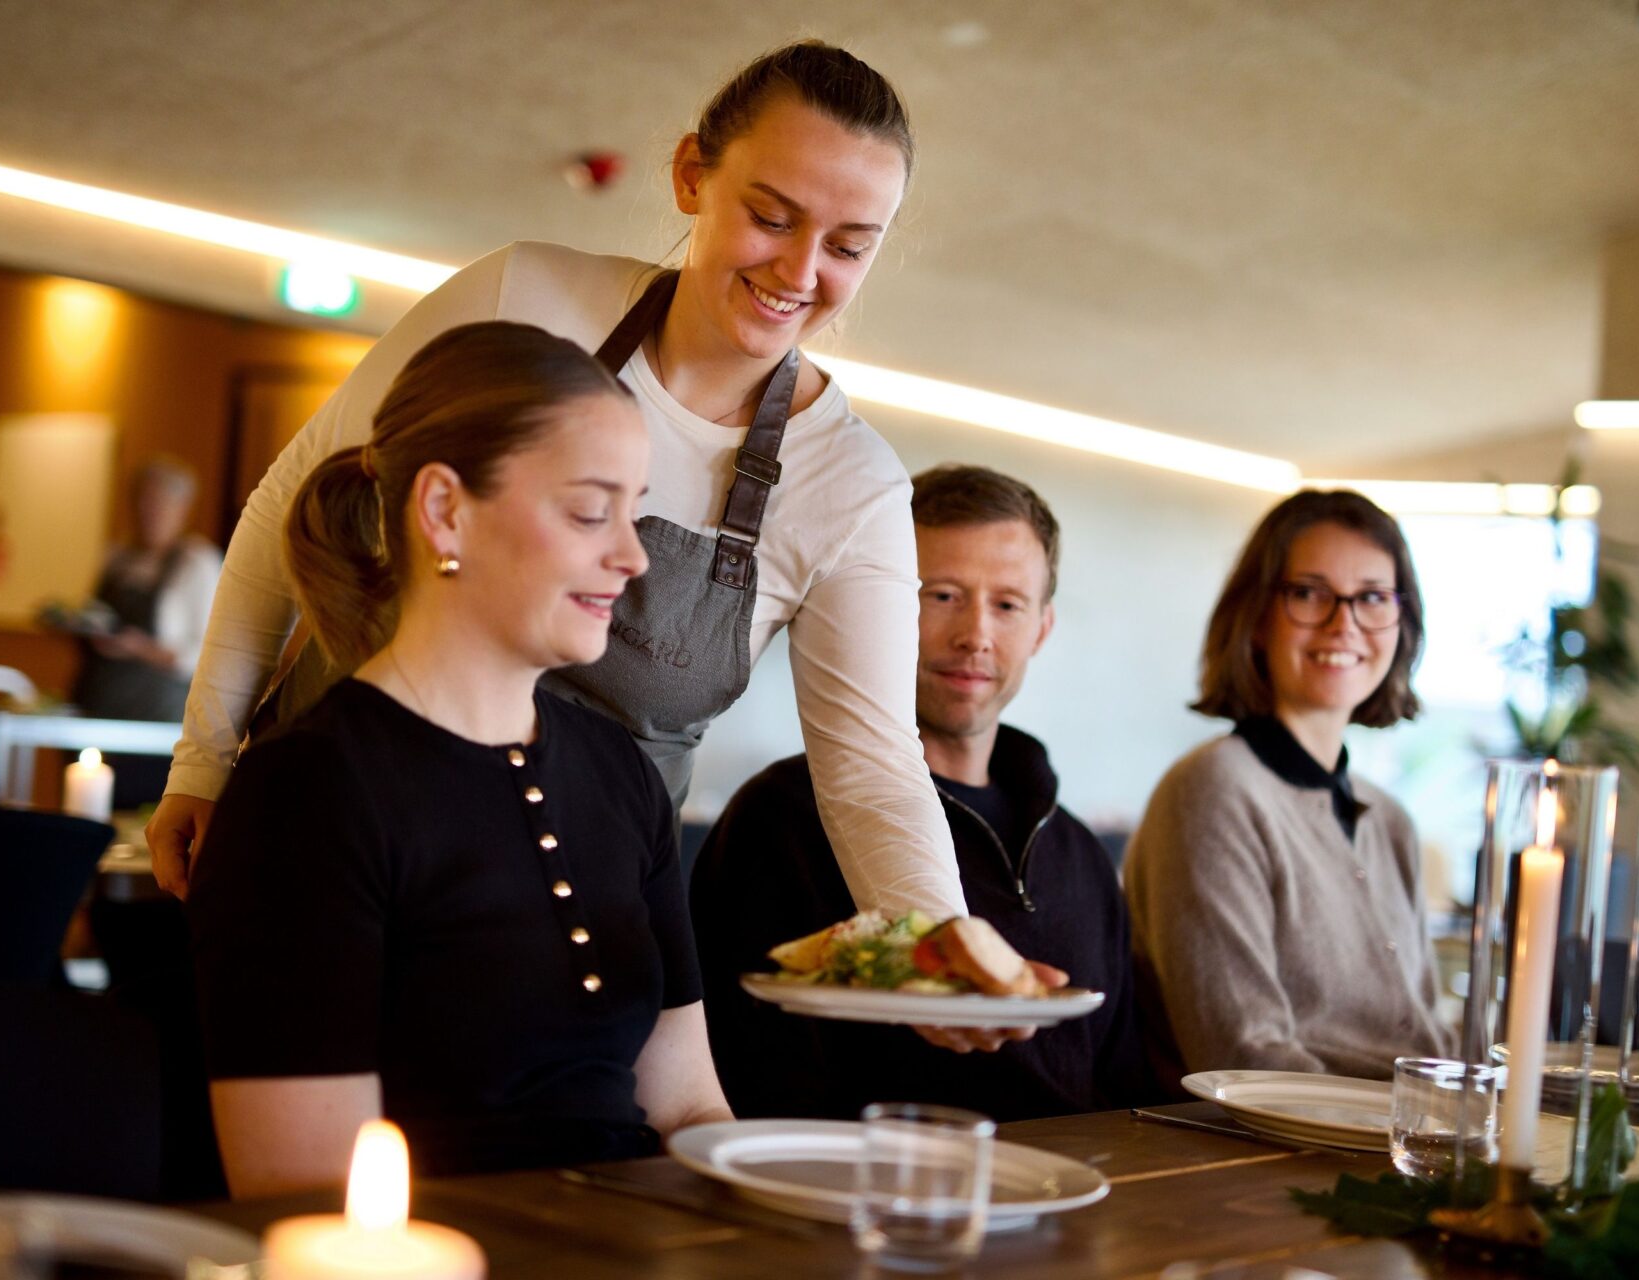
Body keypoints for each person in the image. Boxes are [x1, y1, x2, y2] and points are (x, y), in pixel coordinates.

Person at [148, 42, 969, 938]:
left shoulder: (850, 484)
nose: (802, 273)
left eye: (849, 247)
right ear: (692, 175)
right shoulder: (522, 297)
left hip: (567, 927)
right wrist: (204, 761)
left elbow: (873, 769)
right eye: (771, 217)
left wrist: (940, 951)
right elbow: (291, 501)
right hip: (331, 843)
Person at [188, 322, 730, 1197]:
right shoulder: (307, 794)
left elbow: (688, 1111)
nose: (631, 557)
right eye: (592, 512)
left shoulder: (619, 770)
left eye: (637, 513)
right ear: (444, 510)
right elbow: (308, 1193)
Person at [691, 465, 1158, 1119]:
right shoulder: (784, 814)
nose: (975, 634)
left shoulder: (1078, 849)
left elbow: (1121, 1079)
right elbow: (748, 1068)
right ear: (875, 610)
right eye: (939, 595)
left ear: (1041, 629)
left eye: (1007, 604)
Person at [1122, 489, 1454, 1080]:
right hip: (1289, 1161)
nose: (1343, 623)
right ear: (1255, 619)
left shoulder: (1390, 819)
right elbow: (1244, 1056)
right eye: (1308, 593)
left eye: (1372, 597)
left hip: (1412, 1151)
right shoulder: (1211, 790)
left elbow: (1431, 1036)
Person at [69, 455, 222, 806]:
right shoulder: (117, 557)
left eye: (159, 503)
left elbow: (204, 654)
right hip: (93, 711)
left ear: (183, 508)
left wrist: (139, 648)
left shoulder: (196, 563)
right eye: (142, 501)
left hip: (150, 726)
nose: (148, 511)